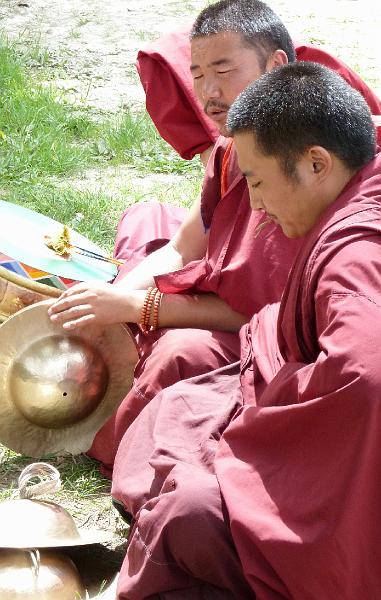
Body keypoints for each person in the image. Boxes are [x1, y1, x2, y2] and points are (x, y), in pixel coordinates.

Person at [48, 0, 381, 477]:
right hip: (230, 301)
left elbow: (270, 310)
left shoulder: (310, 169)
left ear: (276, 66)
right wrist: (119, 299)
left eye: (223, 70)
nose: (209, 93)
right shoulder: (233, 149)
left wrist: (136, 309)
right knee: (148, 223)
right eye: (198, 75)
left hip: (278, 335)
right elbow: (184, 247)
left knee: (179, 353)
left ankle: (112, 442)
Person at [110, 61, 381, 599]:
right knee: (176, 410)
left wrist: (255, 439)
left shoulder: (355, 255)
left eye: (257, 182)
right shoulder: (356, 191)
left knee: (187, 508)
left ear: (317, 163)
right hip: (305, 409)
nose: (254, 203)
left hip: (349, 500)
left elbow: (366, 375)